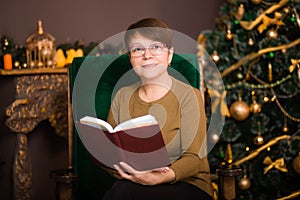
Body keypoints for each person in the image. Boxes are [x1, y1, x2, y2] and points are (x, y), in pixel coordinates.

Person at [102, 18, 213, 200]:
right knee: (120, 191)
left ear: (169, 55)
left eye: (156, 47)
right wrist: (132, 174)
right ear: (130, 57)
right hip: (134, 182)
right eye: (138, 49)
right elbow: (110, 150)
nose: (147, 55)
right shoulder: (122, 95)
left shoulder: (189, 95)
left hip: (186, 184)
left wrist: (160, 176)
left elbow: (194, 158)